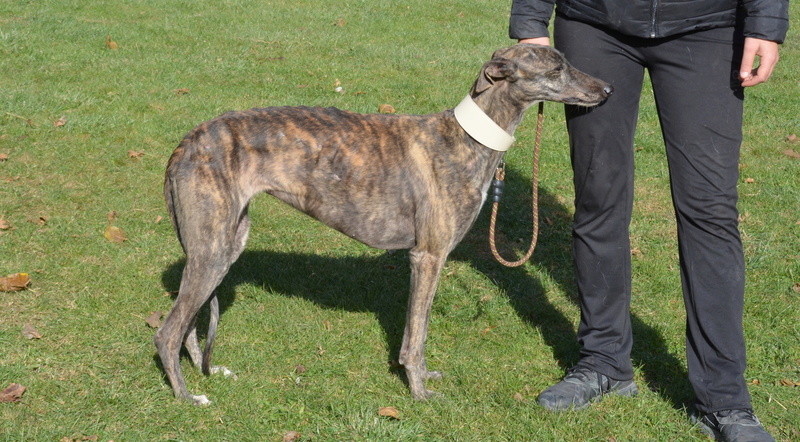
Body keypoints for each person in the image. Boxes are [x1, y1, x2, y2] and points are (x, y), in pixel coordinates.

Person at [508, 1, 789, 441]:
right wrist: (529, 19)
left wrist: (767, 23)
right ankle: (603, 362)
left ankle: (724, 399)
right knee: (598, 196)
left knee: (709, 210)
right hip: (594, 23)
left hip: (707, 26)